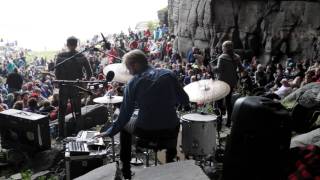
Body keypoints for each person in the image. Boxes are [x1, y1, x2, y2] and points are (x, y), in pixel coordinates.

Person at [96, 49, 190, 179]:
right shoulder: (169, 74)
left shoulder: (133, 82)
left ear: (135, 65)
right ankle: (171, 165)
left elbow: (125, 114)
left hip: (147, 131)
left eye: (128, 67)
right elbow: (185, 100)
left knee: (124, 127)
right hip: (170, 130)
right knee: (172, 122)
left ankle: (126, 171)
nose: (128, 71)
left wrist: (110, 131)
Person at [55, 36, 93, 139]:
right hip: (76, 86)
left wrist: (60, 81)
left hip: (64, 86)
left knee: (62, 112)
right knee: (78, 111)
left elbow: (57, 73)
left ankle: (61, 135)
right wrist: (83, 82)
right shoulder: (81, 56)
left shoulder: (60, 56)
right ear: (76, 44)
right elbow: (89, 73)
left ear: (67, 44)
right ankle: (78, 133)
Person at [213, 41, 243, 127]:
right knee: (228, 101)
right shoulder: (237, 57)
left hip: (222, 82)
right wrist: (233, 71)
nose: (222, 48)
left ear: (224, 48)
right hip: (231, 82)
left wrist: (212, 67)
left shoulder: (222, 57)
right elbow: (241, 69)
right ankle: (229, 121)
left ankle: (220, 117)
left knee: (218, 100)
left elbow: (218, 70)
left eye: (223, 47)